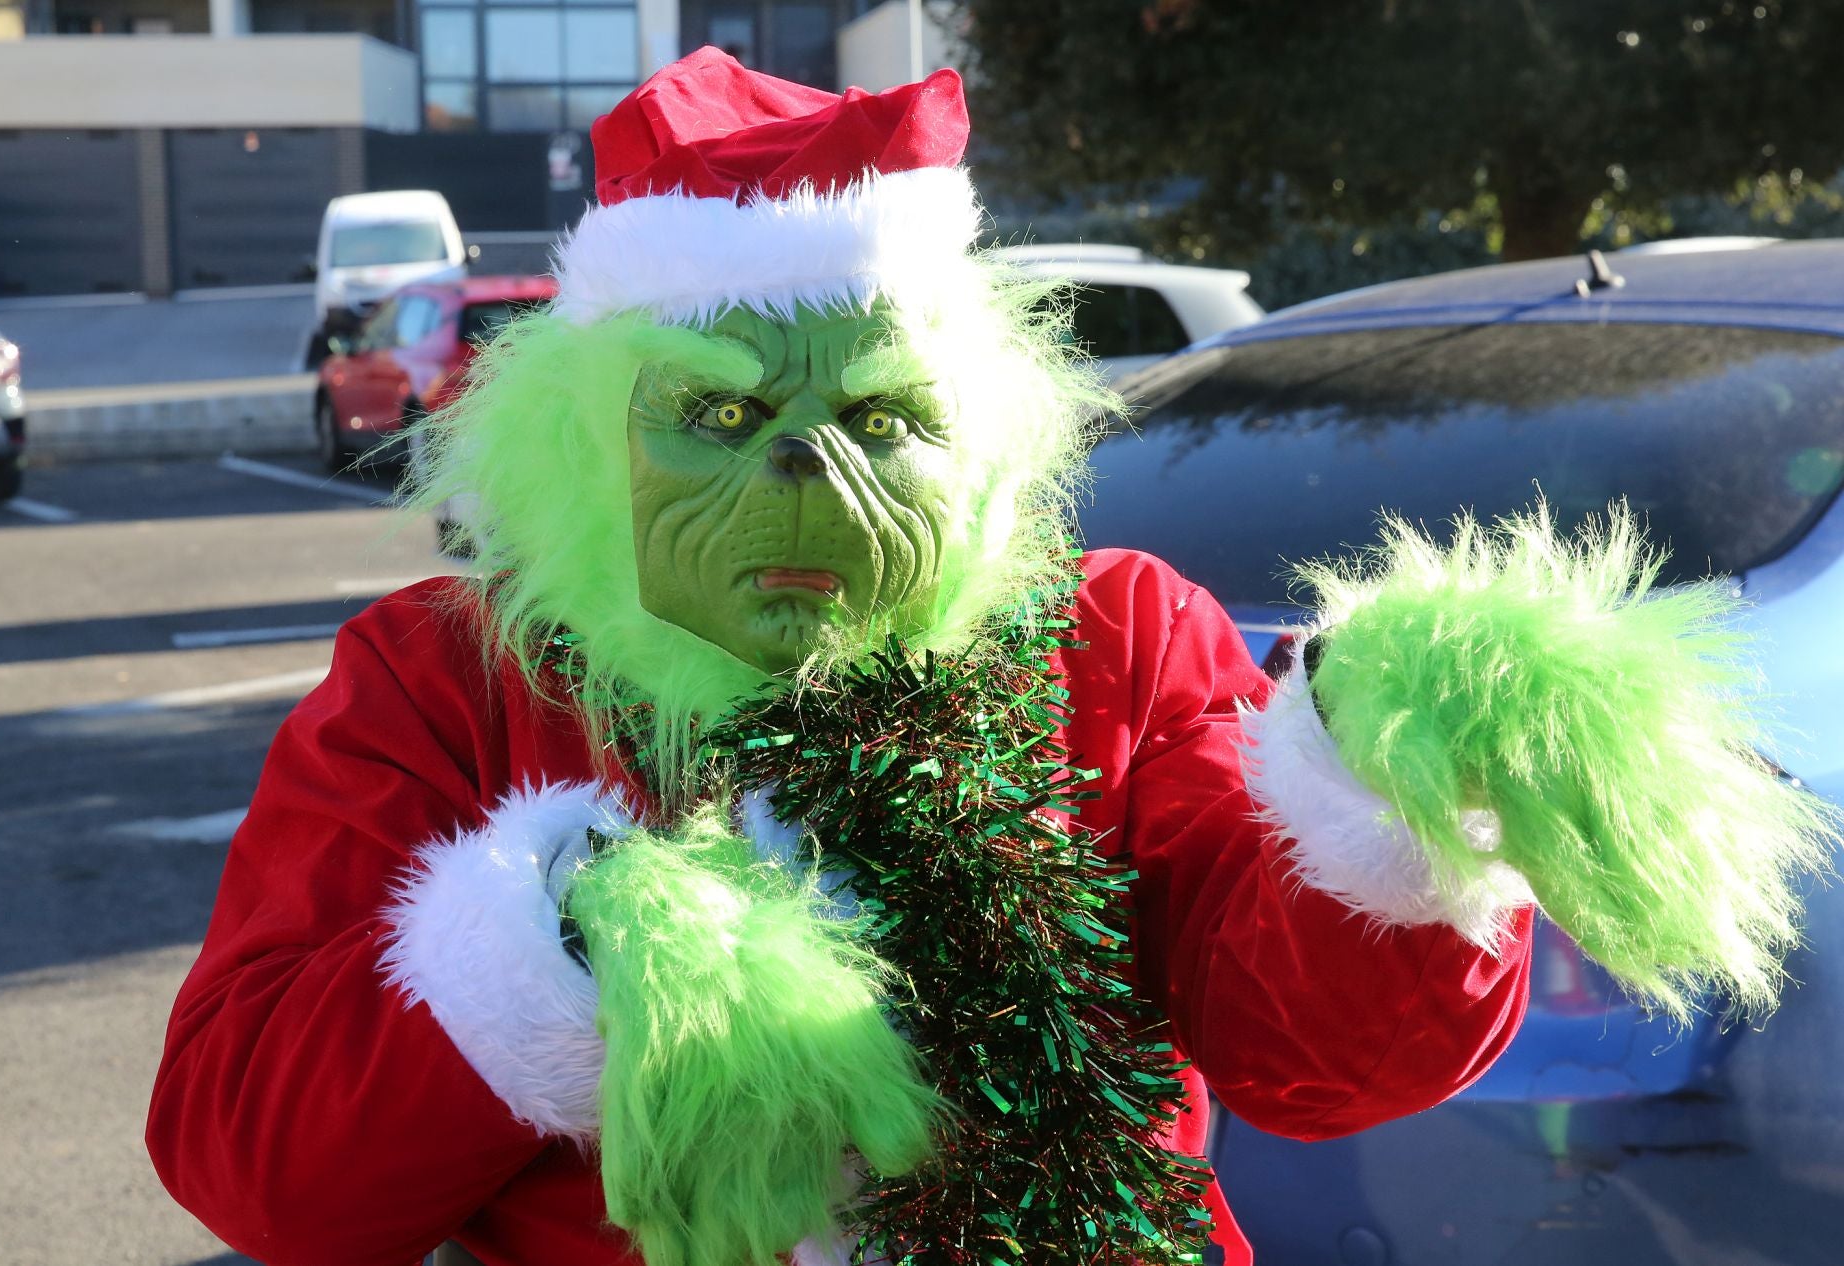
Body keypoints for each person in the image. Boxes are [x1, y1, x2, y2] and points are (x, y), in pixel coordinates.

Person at [147, 48, 1827, 1266]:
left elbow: (1311, 1053)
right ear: (588, 444)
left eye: (881, 417)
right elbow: (260, 1162)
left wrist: (1390, 796)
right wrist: (554, 952)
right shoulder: (452, 683)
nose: (810, 475)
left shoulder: (1112, 637)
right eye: (720, 416)